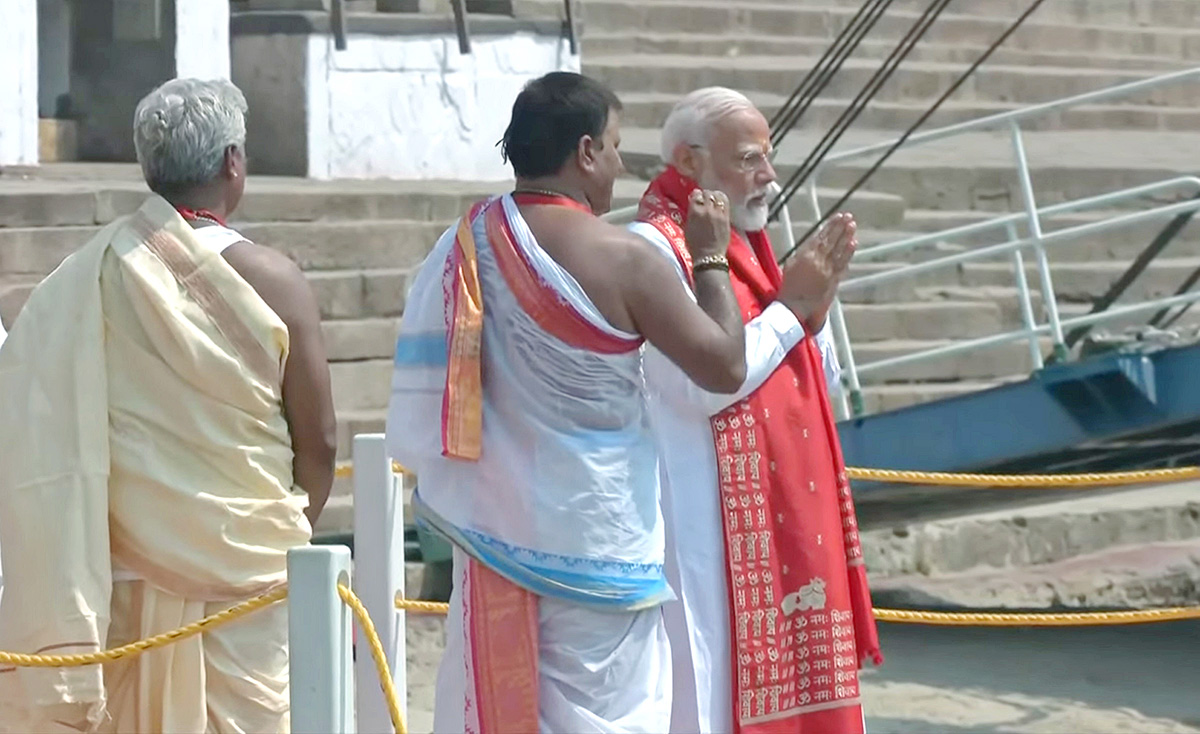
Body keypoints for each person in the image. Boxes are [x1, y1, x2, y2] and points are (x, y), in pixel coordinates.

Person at [386, 71, 751, 732]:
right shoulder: (625, 259)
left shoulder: (460, 244)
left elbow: (425, 388)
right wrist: (710, 259)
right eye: (613, 147)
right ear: (584, 152)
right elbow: (725, 364)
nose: (617, 164)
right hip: (600, 540)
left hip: (494, 532)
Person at [0, 77, 336, 733]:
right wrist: (279, 534)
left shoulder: (83, 277)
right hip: (249, 574)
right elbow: (319, 439)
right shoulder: (274, 280)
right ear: (232, 163)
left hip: (120, 577)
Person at [631, 87, 882, 734]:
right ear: (688, 163)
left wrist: (811, 313)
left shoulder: (757, 248)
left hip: (786, 520)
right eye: (747, 160)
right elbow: (705, 385)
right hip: (702, 530)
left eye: (767, 158)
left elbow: (811, 381)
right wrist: (792, 311)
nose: (767, 176)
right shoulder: (656, 249)